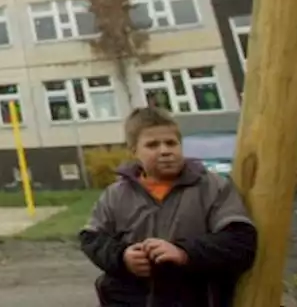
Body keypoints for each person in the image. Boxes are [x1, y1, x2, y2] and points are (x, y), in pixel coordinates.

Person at [79, 106, 258, 306]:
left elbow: (240, 241)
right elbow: (92, 239)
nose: (165, 151)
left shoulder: (212, 187)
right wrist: (122, 257)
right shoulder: (116, 194)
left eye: (171, 143)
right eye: (153, 145)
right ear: (134, 151)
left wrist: (185, 253)